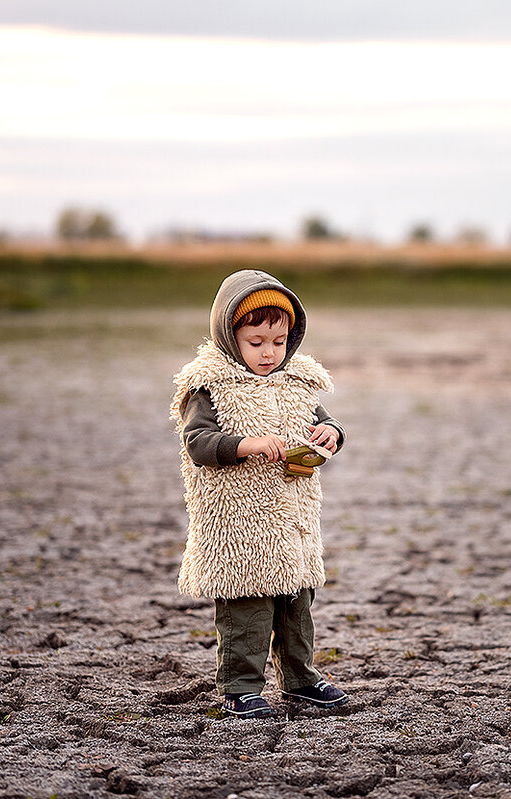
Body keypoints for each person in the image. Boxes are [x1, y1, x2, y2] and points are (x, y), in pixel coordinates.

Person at [170, 269, 348, 719]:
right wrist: (244, 445)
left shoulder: (297, 381)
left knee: (297, 605)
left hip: (292, 519)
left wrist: (330, 432)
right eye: (256, 342)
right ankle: (240, 686)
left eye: (279, 341)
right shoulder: (209, 386)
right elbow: (199, 443)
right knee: (247, 607)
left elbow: (325, 420)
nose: (269, 353)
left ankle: (300, 677)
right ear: (230, 336)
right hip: (241, 525)